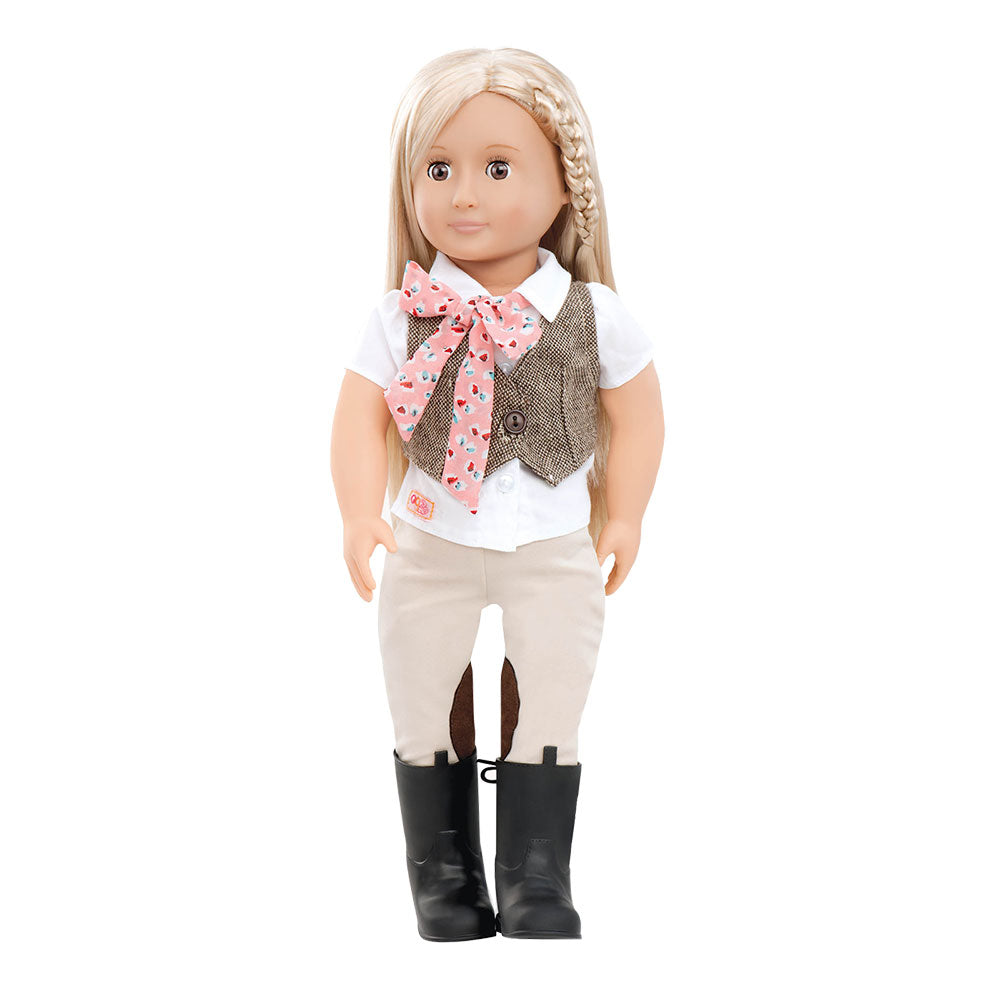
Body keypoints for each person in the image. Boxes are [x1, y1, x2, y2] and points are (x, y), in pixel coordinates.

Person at [330, 47, 664, 941]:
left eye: (499, 167)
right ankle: (443, 876)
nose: (465, 195)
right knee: (422, 690)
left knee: (553, 691)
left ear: (565, 190)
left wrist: (627, 513)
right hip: (429, 542)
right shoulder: (402, 316)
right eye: (439, 170)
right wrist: (360, 513)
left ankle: (535, 875)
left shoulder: (594, 315)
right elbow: (359, 418)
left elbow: (637, 417)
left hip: (553, 545)